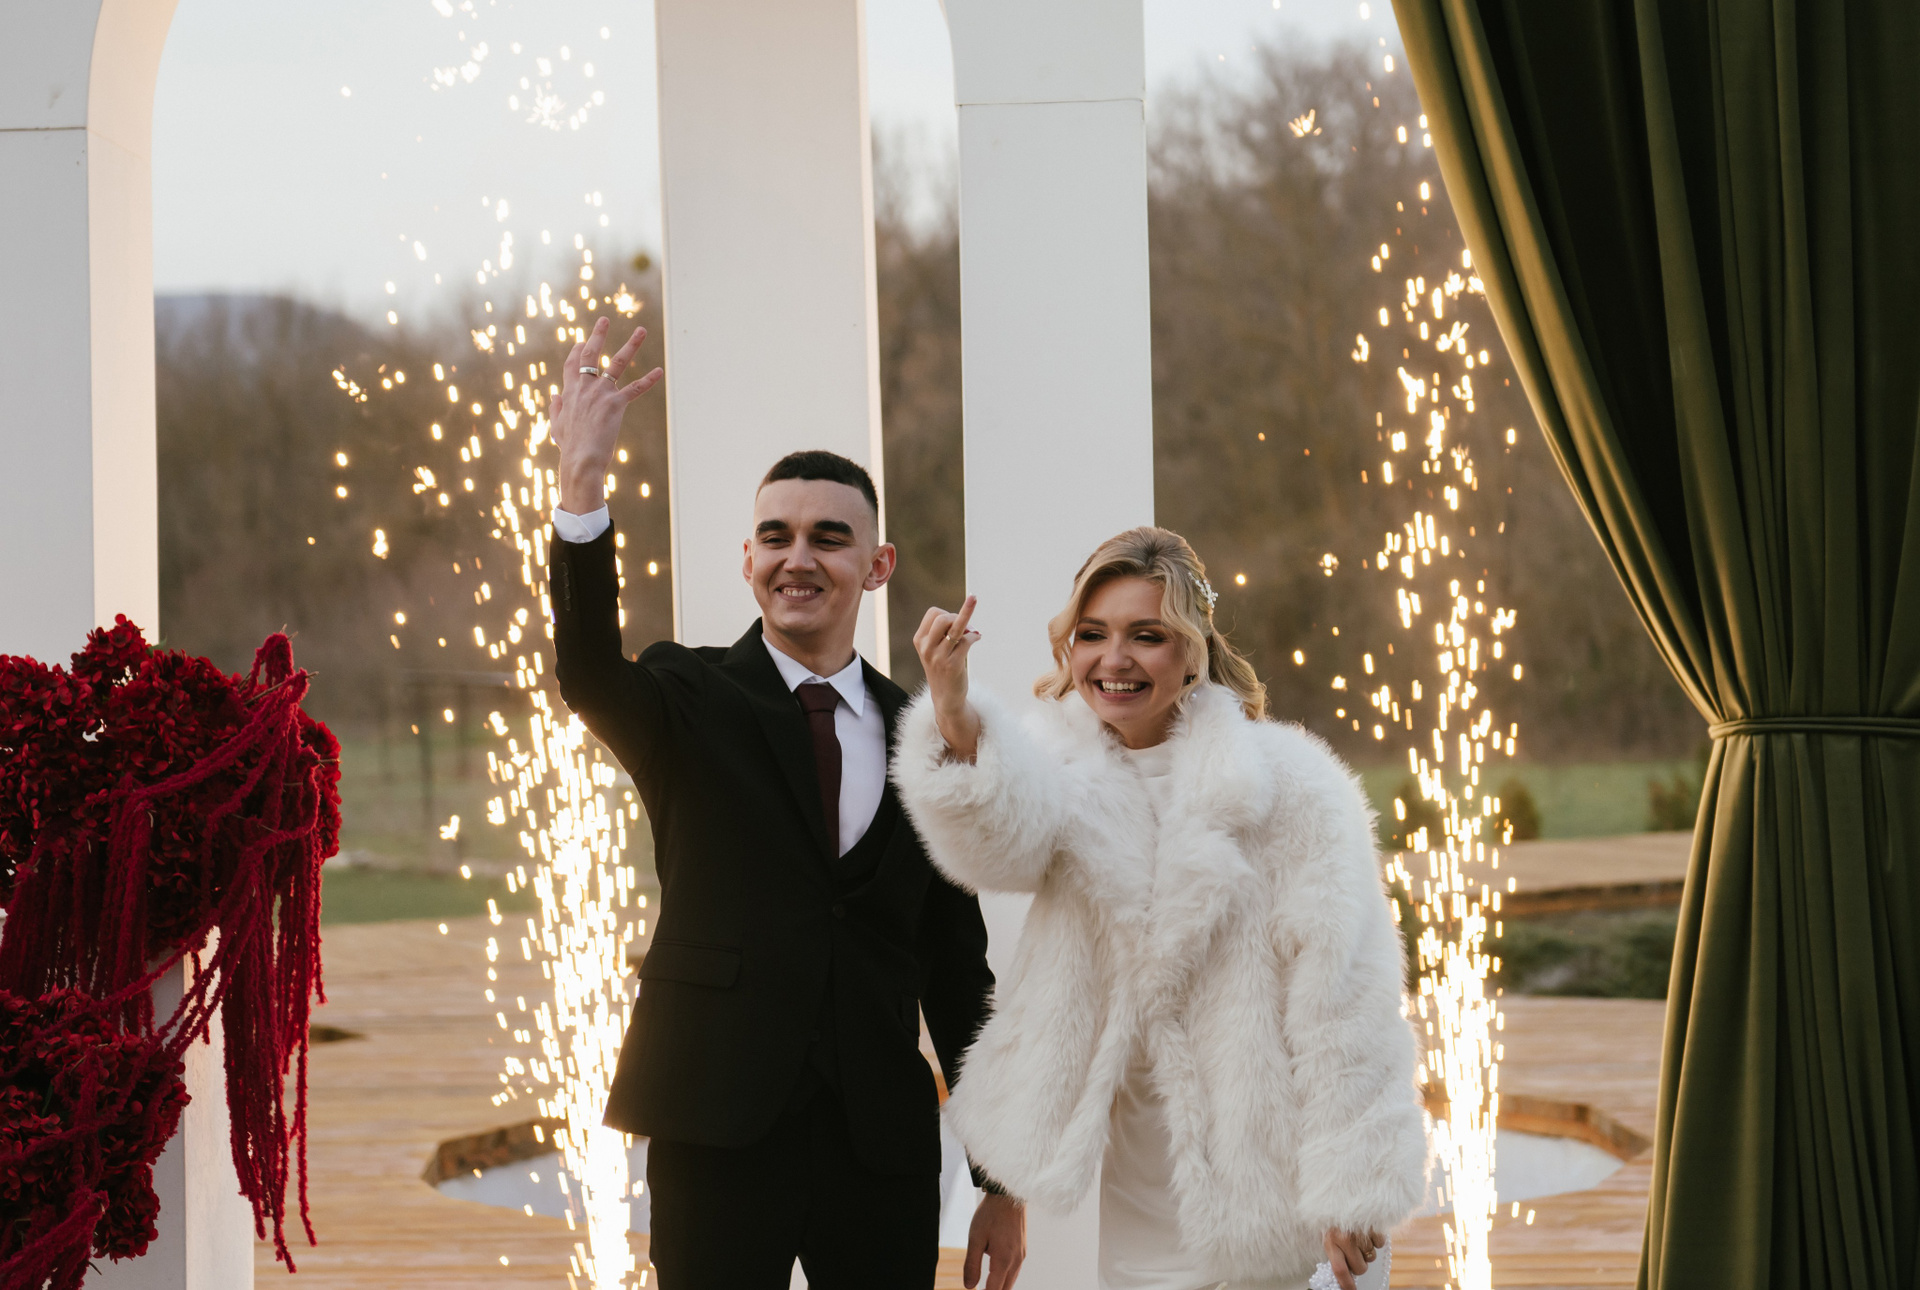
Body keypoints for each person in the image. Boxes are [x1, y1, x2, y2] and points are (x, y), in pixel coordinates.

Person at [546, 316, 1026, 1290]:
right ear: (748, 559)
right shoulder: (686, 698)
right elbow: (589, 670)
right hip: (715, 1130)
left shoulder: (925, 736)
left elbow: (954, 969)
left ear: (877, 567)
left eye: (828, 538)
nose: (797, 557)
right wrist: (581, 485)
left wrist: (1000, 1180)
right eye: (776, 536)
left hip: (879, 1150)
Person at [893, 527, 1428, 1290]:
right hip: (1141, 1195)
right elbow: (991, 842)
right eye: (1092, 635)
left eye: (1146, 635)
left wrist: (1354, 1181)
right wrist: (951, 711)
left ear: (1193, 650)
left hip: (1282, 1196)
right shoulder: (1060, 778)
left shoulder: (1293, 786)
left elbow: (1351, 994)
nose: (1114, 660)